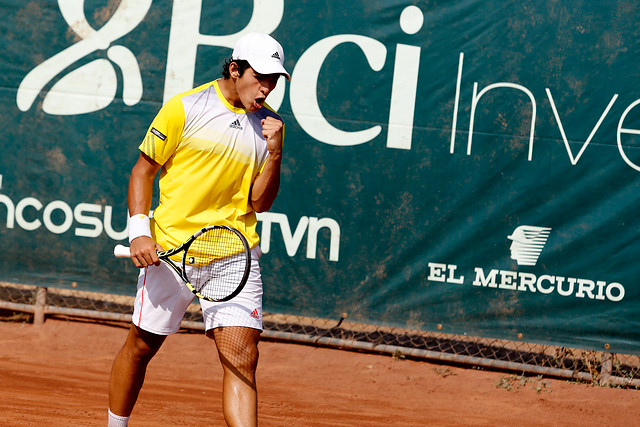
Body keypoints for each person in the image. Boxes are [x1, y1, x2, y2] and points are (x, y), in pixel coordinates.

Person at [107, 32, 290, 427]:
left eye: (274, 80)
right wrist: (140, 231)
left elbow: (260, 202)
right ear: (234, 69)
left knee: (242, 357)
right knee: (140, 347)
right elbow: (143, 171)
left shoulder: (270, 126)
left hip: (233, 252)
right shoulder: (185, 107)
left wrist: (274, 153)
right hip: (171, 249)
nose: (267, 88)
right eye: (260, 77)